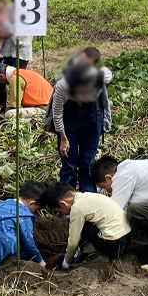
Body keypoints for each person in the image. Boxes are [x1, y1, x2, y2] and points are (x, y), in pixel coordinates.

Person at [45, 53, 113, 192]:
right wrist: (63, 139)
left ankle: (88, 198)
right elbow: (57, 113)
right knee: (69, 163)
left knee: (87, 163)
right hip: (68, 120)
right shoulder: (63, 86)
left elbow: (107, 75)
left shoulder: (101, 77)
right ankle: (67, 201)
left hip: (92, 119)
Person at [40, 182, 131, 267]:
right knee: (84, 222)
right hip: (126, 237)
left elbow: (72, 243)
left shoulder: (77, 209)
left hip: (114, 244)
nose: (63, 214)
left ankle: (95, 256)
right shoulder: (86, 196)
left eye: (60, 211)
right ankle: (85, 252)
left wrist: (67, 261)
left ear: (63, 203)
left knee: (81, 225)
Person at [0, 180, 47, 267]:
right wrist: (40, 261)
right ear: (31, 203)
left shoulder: (0, 205)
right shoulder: (24, 216)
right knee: (24, 251)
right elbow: (28, 243)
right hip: (2, 256)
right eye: (36, 210)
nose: (34, 213)